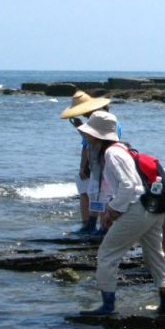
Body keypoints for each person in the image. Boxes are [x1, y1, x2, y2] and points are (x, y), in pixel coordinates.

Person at [77, 111, 165, 316]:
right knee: (154, 254)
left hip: (137, 208)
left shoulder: (111, 154)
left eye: (88, 133)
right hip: (152, 207)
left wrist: (112, 211)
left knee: (107, 253)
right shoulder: (122, 149)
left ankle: (108, 306)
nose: (86, 137)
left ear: (96, 136)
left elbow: (129, 185)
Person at [58, 91, 115, 235]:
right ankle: (93, 225)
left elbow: (95, 141)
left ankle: (101, 227)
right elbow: (89, 142)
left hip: (100, 165)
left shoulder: (105, 125)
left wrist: (83, 167)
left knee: (102, 195)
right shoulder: (98, 124)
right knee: (94, 194)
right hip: (95, 165)